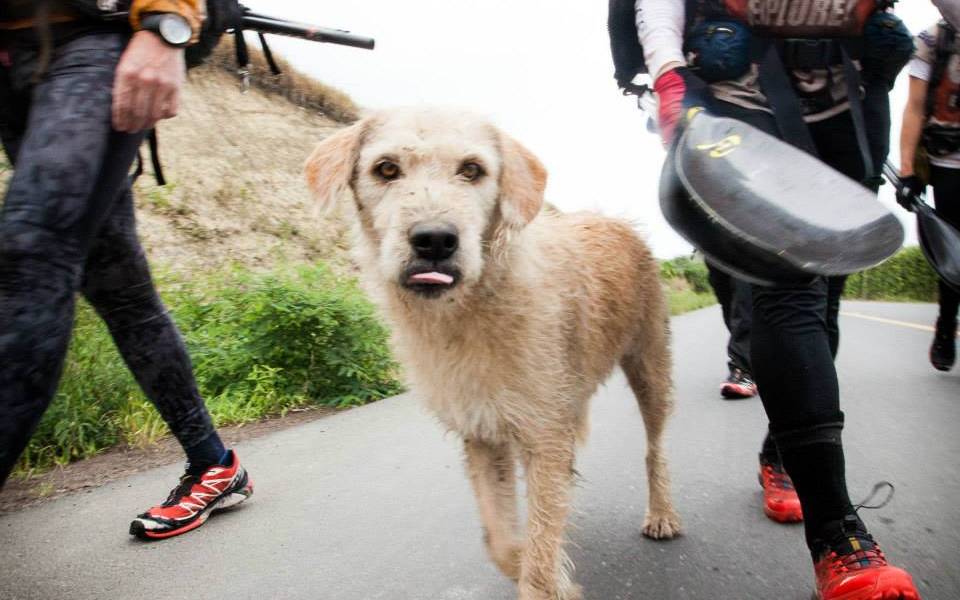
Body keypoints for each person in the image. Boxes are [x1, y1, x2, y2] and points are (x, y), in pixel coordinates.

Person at [635, 1, 920, 599]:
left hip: (846, 111)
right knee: (787, 294)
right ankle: (840, 540)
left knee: (825, 308)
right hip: (739, 116)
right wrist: (666, 74)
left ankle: (781, 454)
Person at [0, 0, 253, 540]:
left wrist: (169, 20)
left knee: (31, 258)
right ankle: (214, 464)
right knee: (121, 293)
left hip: (95, 42)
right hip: (14, 63)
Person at [899, 19, 960, 372]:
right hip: (948, 161)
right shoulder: (934, 39)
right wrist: (908, 170)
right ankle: (946, 323)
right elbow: (915, 106)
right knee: (953, 250)